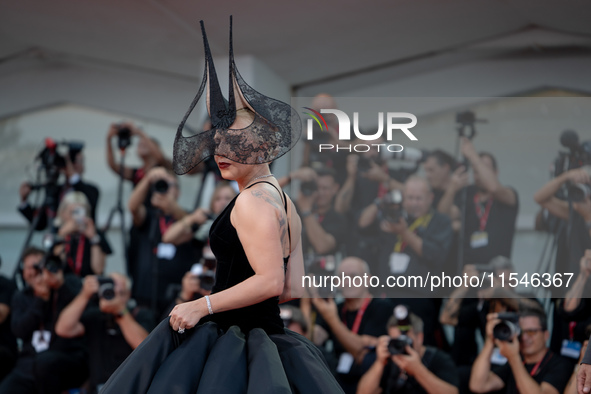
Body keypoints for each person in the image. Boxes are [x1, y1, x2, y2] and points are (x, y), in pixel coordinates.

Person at [99, 18, 343, 393]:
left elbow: (272, 281)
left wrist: (204, 305)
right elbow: (292, 288)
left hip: (235, 341)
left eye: (233, 141)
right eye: (217, 141)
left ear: (263, 147)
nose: (219, 151)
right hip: (267, 343)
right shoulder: (284, 201)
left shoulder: (251, 202)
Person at [0, 249, 88, 394]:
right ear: (23, 272)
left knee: (45, 364)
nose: (35, 271)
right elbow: (19, 331)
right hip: (28, 366)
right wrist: (40, 300)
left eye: (40, 265)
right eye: (30, 267)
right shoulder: (21, 296)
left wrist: (59, 286)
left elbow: (83, 314)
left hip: (64, 360)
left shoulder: (68, 283)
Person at [55, 273, 155, 394]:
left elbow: (145, 347)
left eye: (121, 293)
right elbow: (63, 329)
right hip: (99, 388)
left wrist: (120, 312)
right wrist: (84, 295)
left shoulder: (140, 314)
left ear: (129, 294)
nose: (114, 296)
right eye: (110, 291)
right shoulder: (96, 315)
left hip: (131, 387)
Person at [312, 257, 395, 394]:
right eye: (342, 277)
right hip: (338, 380)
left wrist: (332, 319)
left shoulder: (381, 307)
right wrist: (309, 302)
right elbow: (313, 340)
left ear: (368, 279)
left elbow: (361, 352)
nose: (347, 281)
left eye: (354, 276)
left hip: (368, 382)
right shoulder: (335, 308)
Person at [127, 166, 197, 315]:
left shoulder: (188, 215)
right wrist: (147, 180)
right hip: (145, 295)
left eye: (169, 185)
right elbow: (133, 207)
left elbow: (193, 226)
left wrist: (172, 208)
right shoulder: (150, 215)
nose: (165, 190)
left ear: (178, 191)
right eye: (161, 185)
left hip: (177, 295)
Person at [439, 137, 519, 266]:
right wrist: (451, 189)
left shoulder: (507, 194)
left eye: (484, 169)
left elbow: (493, 188)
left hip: (498, 273)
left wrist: (473, 156)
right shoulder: (467, 194)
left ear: (495, 172)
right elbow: (443, 216)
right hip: (468, 273)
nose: (480, 174)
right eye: (476, 171)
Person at [357, 309, 459, 394]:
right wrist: (379, 362)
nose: (401, 345)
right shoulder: (390, 358)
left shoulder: (438, 359)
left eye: (405, 340)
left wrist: (418, 370)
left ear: (419, 337)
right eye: (396, 341)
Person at [469, 309, 571, 394]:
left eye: (531, 332)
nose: (525, 337)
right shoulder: (516, 362)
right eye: (521, 332)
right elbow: (478, 385)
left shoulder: (559, 364)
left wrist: (514, 358)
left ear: (546, 335)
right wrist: (490, 340)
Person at [18, 143, 100, 231]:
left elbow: (87, 200)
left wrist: (71, 171)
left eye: (79, 162)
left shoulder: (92, 190)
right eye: (73, 162)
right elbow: (40, 224)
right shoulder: (55, 191)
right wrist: (24, 201)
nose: (74, 165)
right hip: (59, 241)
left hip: (83, 241)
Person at [54, 191, 112, 277]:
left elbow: (98, 269)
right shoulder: (56, 233)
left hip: (89, 283)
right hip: (64, 284)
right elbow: (56, 267)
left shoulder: (96, 233)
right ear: (63, 213)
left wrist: (93, 238)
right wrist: (62, 236)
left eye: (80, 212)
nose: (76, 217)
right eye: (73, 212)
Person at [106, 122, 173, 186]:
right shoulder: (137, 173)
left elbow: (160, 157)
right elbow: (114, 166)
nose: (142, 144)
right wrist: (109, 139)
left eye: (145, 144)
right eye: (140, 144)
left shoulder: (162, 167)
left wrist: (139, 132)